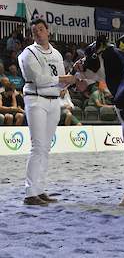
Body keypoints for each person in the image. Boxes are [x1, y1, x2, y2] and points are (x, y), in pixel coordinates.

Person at [18, 18, 76, 206]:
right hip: (36, 100)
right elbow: (38, 79)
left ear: (48, 31)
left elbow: (60, 81)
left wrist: (68, 83)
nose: (38, 33)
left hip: (53, 101)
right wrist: (62, 78)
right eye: (34, 31)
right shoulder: (28, 54)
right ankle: (30, 193)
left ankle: (40, 190)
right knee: (37, 147)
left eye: (41, 29)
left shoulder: (57, 54)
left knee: (46, 148)